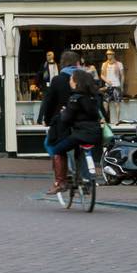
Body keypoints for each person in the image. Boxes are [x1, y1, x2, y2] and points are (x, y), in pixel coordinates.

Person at [54, 68, 108, 192]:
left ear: (76, 82)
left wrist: (63, 113)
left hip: (80, 134)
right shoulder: (96, 97)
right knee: (82, 151)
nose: (69, 82)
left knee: (58, 149)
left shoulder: (75, 98)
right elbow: (103, 114)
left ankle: (61, 181)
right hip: (96, 134)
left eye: (71, 79)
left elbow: (67, 118)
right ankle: (87, 179)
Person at [38, 50, 81, 194]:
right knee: (82, 145)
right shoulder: (86, 77)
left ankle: (60, 180)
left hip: (64, 123)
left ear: (62, 64)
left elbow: (49, 101)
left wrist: (47, 119)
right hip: (85, 123)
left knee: (52, 145)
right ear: (77, 63)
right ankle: (86, 178)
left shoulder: (58, 80)